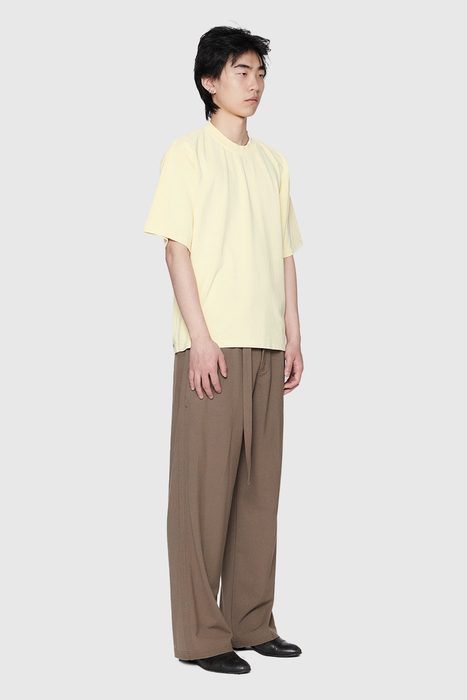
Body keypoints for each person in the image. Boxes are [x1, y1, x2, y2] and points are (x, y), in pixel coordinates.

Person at [144, 25, 304, 675]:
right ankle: (201, 636)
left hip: (266, 344)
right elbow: (174, 250)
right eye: (242, 71)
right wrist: (200, 339)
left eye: (260, 73)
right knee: (202, 495)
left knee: (259, 493)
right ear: (210, 81)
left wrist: (294, 335)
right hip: (212, 346)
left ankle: (250, 621)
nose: (255, 83)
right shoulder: (187, 154)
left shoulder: (273, 163)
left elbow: (285, 256)